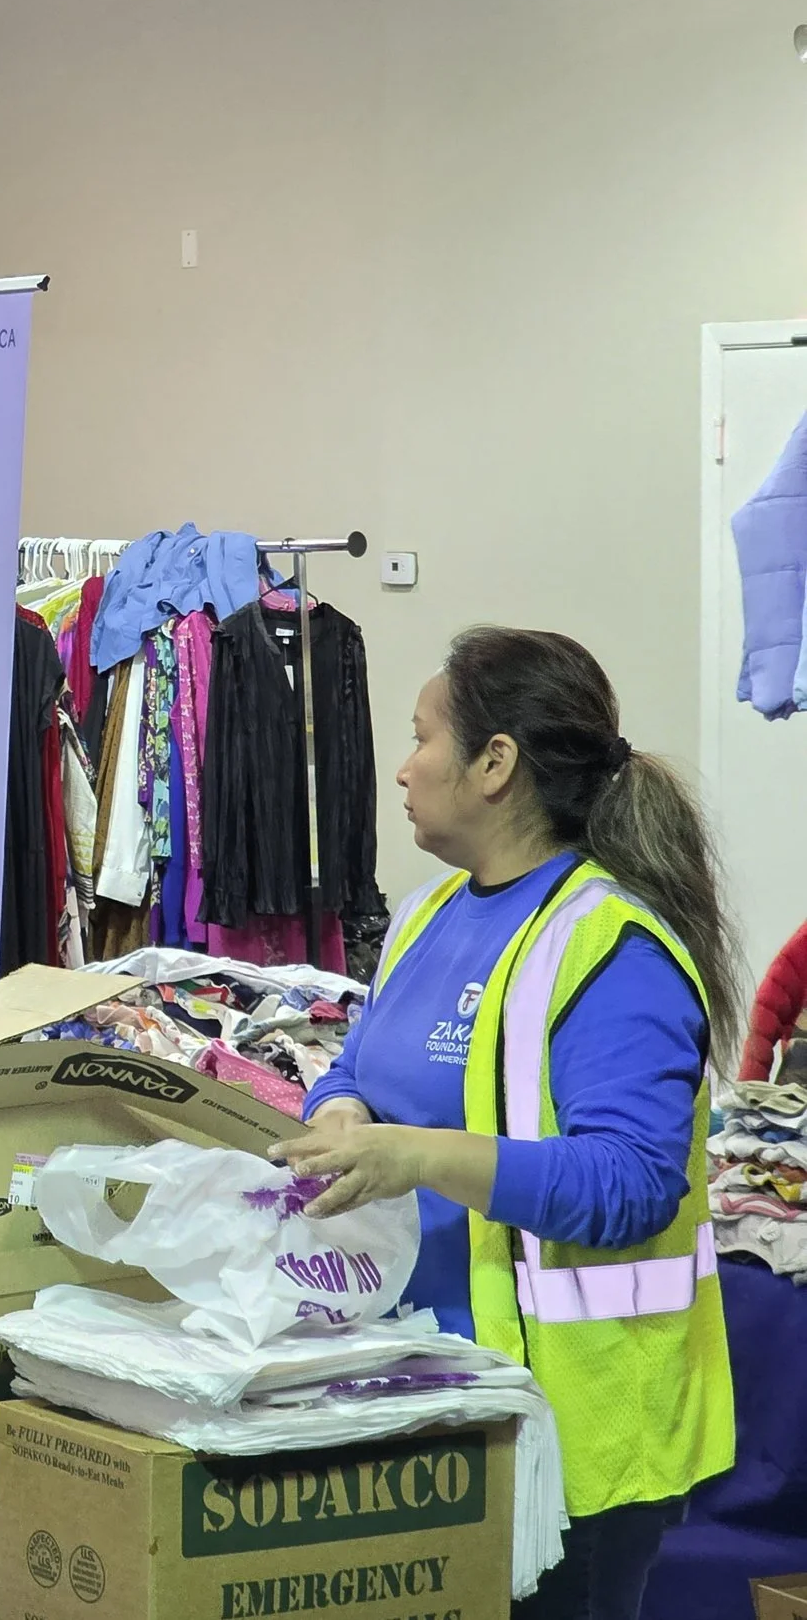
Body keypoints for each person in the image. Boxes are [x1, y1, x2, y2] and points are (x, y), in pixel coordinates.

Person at [276, 627, 740, 1620]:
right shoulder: (427, 916)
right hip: (423, 1397)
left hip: (571, 1438)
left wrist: (420, 1156)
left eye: (421, 739)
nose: (400, 769)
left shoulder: (613, 950)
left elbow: (629, 1185)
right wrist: (343, 1111)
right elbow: (356, 1068)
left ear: (496, 765)